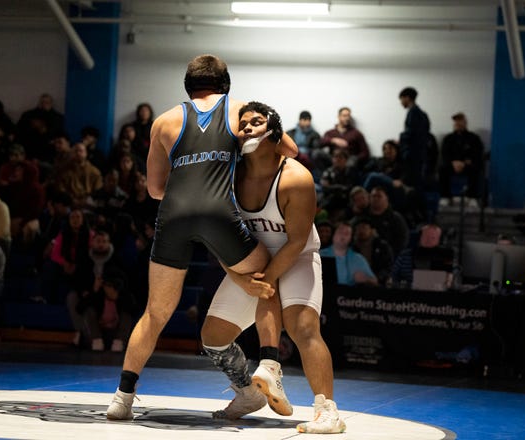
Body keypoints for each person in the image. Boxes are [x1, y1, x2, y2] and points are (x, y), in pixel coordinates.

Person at [105, 54, 297, 420]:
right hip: (219, 212)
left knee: (155, 313)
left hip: (173, 216)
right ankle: (270, 366)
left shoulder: (163, 121)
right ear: (225, 85)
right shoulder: (240, 109)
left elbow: (156, 188)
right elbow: (288, 150)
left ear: (187, 86)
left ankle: (122, 398)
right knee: (267, 275)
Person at [201, 101, 346, 433]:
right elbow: (217, 235)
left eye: (257, 121)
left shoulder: (296, 178)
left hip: (295, 258)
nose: (249, 127)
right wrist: (241, 278)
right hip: (252, 261)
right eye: (244, 124)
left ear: (274, 132)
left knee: (303, 327)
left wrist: (265, 280)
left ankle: (327, 410)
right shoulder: (229, 176)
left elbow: (295, 242)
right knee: (212, 336)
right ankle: (248, 392)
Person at [438, 112, 485, 208]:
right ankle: (445, 197)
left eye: (460, 121)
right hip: (452, 165)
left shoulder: (474, 138)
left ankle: (472, 197)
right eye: (456, 121)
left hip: (467, 166)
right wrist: (454, 162)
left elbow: (477, 154)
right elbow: (445, 154)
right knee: (442, 168)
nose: (457, 123)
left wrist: (463, 163)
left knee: (475, 168)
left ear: (465, 122)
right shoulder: (448, 138)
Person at [320, 221, 378, 286]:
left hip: (350, 295)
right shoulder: (319, 255)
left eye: (347, 233)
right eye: (340, 232)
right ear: (333, 234)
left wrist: (366, 279)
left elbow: (375, 282)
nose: (343, 236)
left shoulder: (358, 258)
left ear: (351, 238)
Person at [398, 87, 431, 190]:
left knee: (413, 185)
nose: (401, 102)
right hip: (419, 154)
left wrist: (401, 139)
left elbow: (411, 133)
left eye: (401, 99)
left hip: (413, 154)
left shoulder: (413, 113)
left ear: (407, 98)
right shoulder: (422, 114)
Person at [286, 110, 322, 175]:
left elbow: (316, 147)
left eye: (308, 120)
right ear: (300, 120)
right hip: (294, 156)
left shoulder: (315, 134)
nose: (306, 122)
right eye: (304, 119)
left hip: (308, 158)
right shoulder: (291, 132)